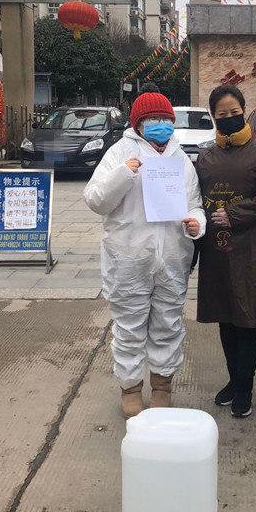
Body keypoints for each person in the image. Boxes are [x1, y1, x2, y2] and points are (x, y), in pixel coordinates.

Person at [84, 91, 206, 417]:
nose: (161, 125)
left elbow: (194, 203)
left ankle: (162, 385)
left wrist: (198, 223)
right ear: (138, 123)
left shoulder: (180, 159)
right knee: (129, 327)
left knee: (168, 324)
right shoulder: (119, 153)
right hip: (129, 259)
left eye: (166, 119)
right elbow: (95, 200)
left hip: (172, 258)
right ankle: (131, 388)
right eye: (154, 119)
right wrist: (124, 174)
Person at [195, 85, 256, 418]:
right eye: (222, 114)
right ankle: (233, 380)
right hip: (217, 252)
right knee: (226, 319)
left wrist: (235, 214)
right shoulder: (206, 157)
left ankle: (245, 388)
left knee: (246, 322)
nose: (229, 118)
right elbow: (194, 200)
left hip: (251, 251)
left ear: (244, 111)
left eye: (234, 113)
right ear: (213, 117)